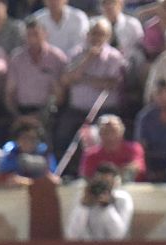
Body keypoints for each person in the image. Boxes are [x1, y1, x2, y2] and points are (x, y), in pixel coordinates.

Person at [53, 17, 124, 160]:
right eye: (94, 33)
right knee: (62, 134)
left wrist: (82, 79)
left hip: (104, 110)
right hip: (76, 109)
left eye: (101, 34)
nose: (97, 37)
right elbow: (66, 79)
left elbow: (110, 83)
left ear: (108, 36)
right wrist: (87, 59)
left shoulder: (114, 57)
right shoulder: (75, 53)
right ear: (87, 34)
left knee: (103, 134)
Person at [4, 17, 66, 118]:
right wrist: (18, 116)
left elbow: (60, 94)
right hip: (21, 111)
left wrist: (40, 115)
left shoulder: (57, 58)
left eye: (36, 34)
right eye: (29, 35)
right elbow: (9, 93)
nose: (33, 39)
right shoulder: (16, 58)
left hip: (49, 112)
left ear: (45, 34)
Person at [0, 115, 58, 187]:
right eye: (24, 138)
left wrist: (26, 182)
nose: (28, 142)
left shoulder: (45, 154)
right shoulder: (11, 154)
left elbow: (53, 178)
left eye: (32, 138)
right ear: (17, 140)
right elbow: (1, 178)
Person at [79, 114, 146, 180]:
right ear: (99, 134)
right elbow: (86, 176)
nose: (110, 136)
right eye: (106, 132)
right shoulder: (91, 154)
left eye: (113, 131)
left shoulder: (134, 148)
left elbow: (138, 167)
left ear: (121, 132)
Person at [64, 173, 130, 240]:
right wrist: (84, 206)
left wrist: (107, 207)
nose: (98, 193)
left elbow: (118, 235)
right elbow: (72, 235)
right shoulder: (82, 201)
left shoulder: (119, 201)